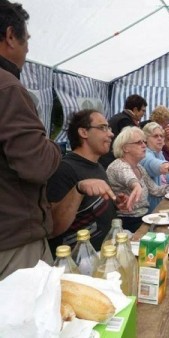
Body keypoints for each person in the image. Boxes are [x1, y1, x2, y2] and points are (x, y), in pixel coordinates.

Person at [0, 0, 62, 280]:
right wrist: (53, 146)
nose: (28, 49)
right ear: (11, 35)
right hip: (13, 240)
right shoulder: (9, 88)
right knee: (30, 318)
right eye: (27, 40)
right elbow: (36, 164)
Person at [47, 109, 129, 254]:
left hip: (107, 253)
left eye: (109, 128)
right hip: (80, 263)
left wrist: (114, 203)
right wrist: (78, 189)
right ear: (84, 132)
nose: (111, 134)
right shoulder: (64, 169)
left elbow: (88, 209)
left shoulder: (97, 165)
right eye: (103, 127)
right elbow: (53, 228)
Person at [107, 126, 167, 232]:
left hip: (143, 218)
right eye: (139, 142)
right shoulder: (118, 165)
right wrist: (136, 184)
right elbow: (128, 177)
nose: (144, 145)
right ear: (125, 148)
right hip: (127, 224)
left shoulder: (139, 167)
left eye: (144, 142)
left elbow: (155, 190)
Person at [99, 94, 147, 168]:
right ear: (135, 109)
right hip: (111, 161)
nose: (144, 114)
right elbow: (131, 144)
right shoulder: (125, 121)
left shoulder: (119, 117)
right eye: (143, 111)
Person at [140, 122, 169, 212]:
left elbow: (166, 178)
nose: (159, 139)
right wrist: (162, 165)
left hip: (160, 202)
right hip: (150, 209)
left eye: (161, 136)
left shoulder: (159, 153)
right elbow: (150, 163)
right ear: (146, 139)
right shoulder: (145, 154)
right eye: (155, 136)